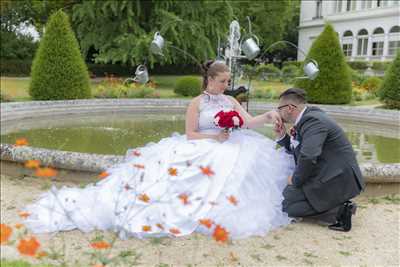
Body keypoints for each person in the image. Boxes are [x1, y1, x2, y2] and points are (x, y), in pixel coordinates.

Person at [23, 61, 294, 240]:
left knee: (241, 164)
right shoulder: (196, 103)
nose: (227, 85)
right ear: (210, 80)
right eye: (223, 81)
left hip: (229, 144)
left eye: (228, 81)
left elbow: (247, 122)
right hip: (202, 145)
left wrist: (269, 116)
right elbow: (191, 134)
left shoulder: (232, 100)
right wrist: (216, 135)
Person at [274, 88, 365, 232]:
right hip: (323, 173)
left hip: (335, 178)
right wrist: (282, 136)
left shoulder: (313, 121)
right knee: (281, 201)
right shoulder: (307, 118)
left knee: (284, 206)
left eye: (279, 108)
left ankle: (340, 210)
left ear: (290, 108)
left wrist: (296, 180)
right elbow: (298, 151)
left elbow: (309, 156)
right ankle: (333, 207)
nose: (278, 112)